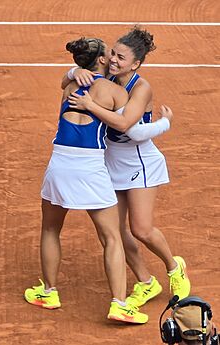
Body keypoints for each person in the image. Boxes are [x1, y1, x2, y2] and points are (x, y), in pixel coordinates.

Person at [24, 36, 150, 324]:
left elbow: (66, 81)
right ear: (102, 60)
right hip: (91, 167)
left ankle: (49, 292)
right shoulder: (114, 92)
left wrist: (72, 73)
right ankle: (119, 303)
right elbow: (130, 125)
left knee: (50, 230)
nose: (114, 59)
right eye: (110, 55)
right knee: (111, 238)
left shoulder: (70, 85)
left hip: (59, 163)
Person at [66, 26, 191, 307]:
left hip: (139, 163)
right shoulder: (107, 77)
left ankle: (174, 267)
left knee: (141, 229)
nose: (113, 60)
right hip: (110, 163)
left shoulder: (141, 88)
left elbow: (126, 126)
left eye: (121, 57)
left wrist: (90, 104)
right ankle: (146, 282)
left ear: (135, 63)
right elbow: (67, 80)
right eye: (112, 53)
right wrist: (74, 73)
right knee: (115, 231)